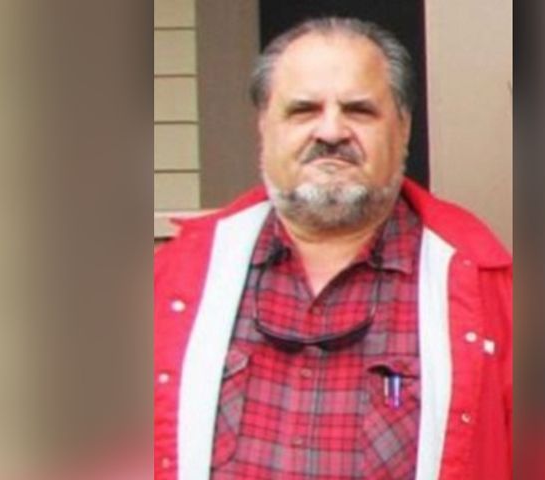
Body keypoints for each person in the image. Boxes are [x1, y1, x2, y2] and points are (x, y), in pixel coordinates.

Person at [154, 17, 512, 480]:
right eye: (303, 109)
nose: (330, 132)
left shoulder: (492, 297)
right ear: (264, 127)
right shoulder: (171, 282)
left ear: (402, 128)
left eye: (358, 110)